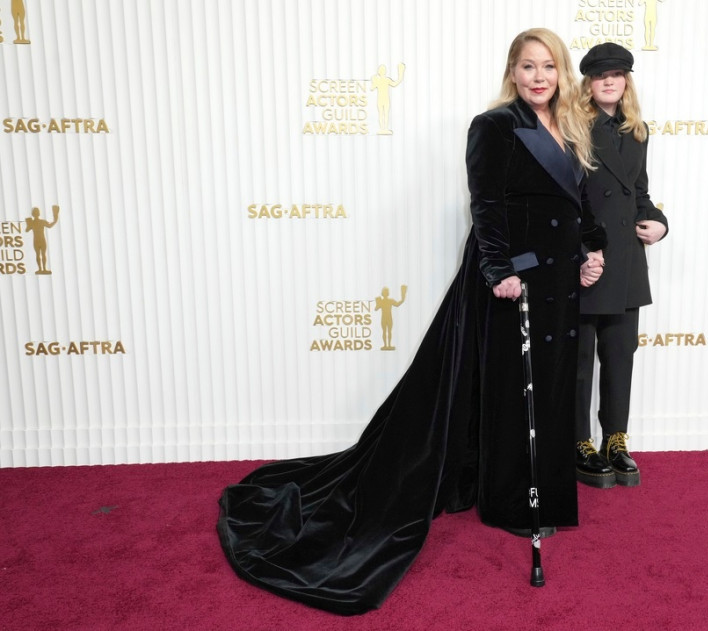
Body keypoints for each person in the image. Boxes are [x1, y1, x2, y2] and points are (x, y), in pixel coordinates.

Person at [217, 28, 607, 616]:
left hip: (558, 280)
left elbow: (580, 203)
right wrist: (497, 268)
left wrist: (593, 249)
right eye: (528, 66)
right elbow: (486, 205)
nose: (538, 77)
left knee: (550, 384)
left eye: (548, 66)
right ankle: (512, 502)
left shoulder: (573, 127)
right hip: (515, 279)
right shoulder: (494, 126)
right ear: (512, 71)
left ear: (561, 72)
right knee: (512, 387)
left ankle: (545, 491)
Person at [573, 43, 668, 489]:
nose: (609, 81)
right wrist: (582, 251)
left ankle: (615, 440)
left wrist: (659, 222)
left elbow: (639, 193)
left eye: (616, 74)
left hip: (627, 260)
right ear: (588, 83)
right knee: (578, 361)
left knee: (619, 356)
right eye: (600, 75)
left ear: (626, 81)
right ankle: (578, 442)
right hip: (589, 259)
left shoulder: (637, 131)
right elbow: (568, 198)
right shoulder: (572, 127)